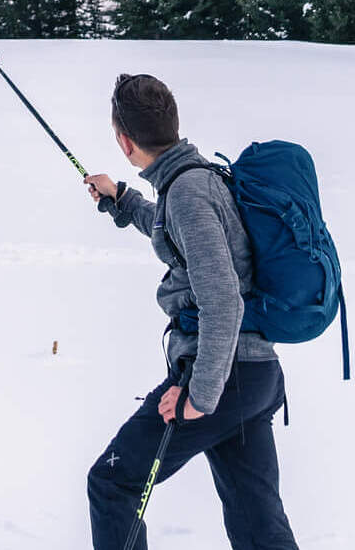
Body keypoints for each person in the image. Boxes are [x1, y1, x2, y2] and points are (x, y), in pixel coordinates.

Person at [84, 73, 298, 550]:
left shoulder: (187, 193)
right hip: (253, 376)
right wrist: (122, 200)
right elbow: (179, 237)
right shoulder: (195, 180)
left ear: (124, 141)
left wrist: (199, 395)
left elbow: (223, 297)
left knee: (113, 484)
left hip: (222, 377)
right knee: (258, 525)